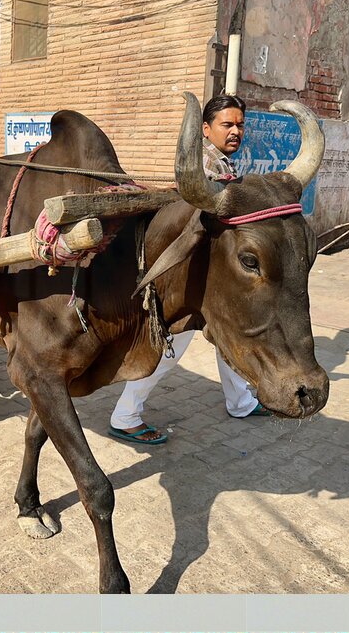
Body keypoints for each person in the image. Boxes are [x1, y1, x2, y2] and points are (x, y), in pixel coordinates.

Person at [108, 94, 269, 446]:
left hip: (210, 275)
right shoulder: (205, 169)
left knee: (226, 337)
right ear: (206, 129)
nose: (236, 131)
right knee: (170, 348)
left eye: (240, 125)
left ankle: (241, 402)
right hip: (186, 274)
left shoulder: (221, 165)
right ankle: (125, 416)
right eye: (227, 124)